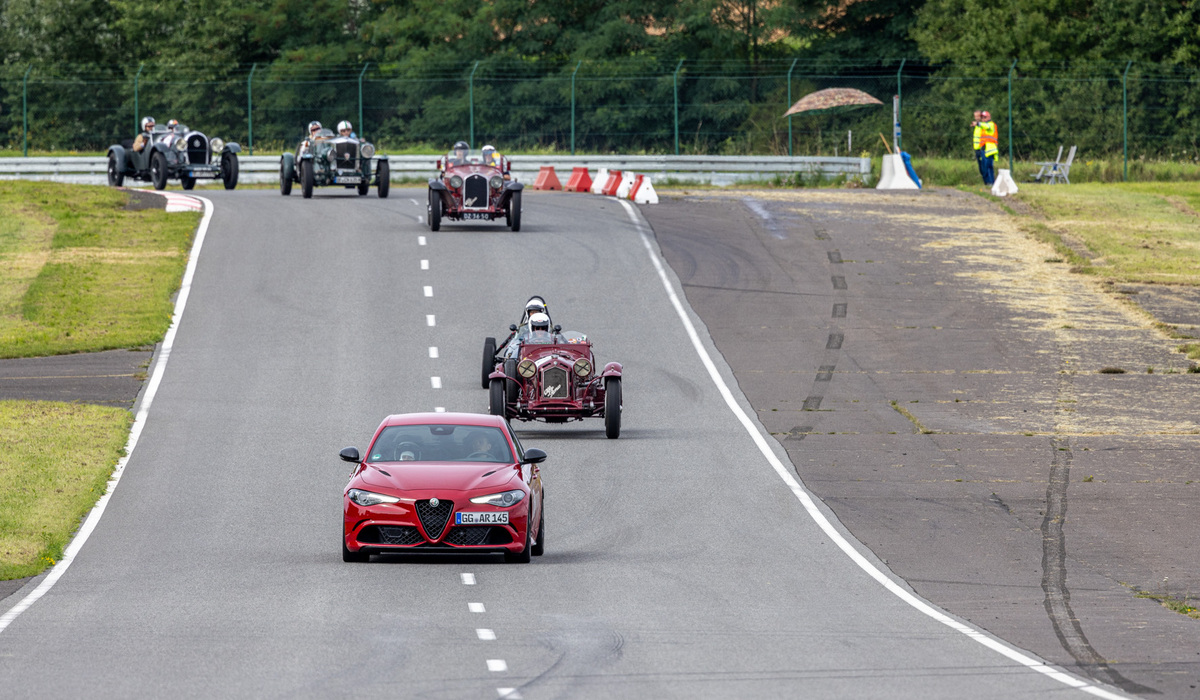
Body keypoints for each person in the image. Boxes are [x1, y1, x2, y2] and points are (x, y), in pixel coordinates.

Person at [978, 110, 999, 186]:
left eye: (985, 117)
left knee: (988, 167)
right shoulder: (983, 126)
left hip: (990, 150)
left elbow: (987, 126)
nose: (983, 119)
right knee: (984, 168)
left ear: (989, 117)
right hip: (984, 149)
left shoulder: (991, 124)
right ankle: (988, 183)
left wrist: (978, 123)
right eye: (982, 117)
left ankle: (991, 183)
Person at [971, 110, 984, 183]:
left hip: (981, 148)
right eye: (975, 116)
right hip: (977, 148)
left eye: (977, 116)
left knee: (984, 166)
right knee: (980, 166)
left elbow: (982, 125)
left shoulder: (982, 124)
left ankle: (988, 182)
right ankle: (985, 181)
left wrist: (977, 124)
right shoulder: (977, 126)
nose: (976, 118)